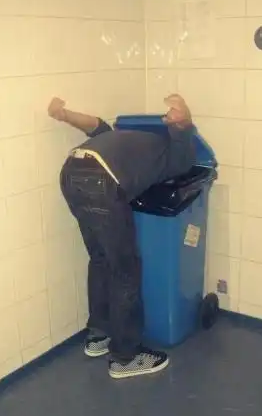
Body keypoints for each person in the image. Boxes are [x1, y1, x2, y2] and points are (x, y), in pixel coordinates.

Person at [47, 93, 196, 379]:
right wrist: (183, 119)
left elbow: (94, 125)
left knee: (101, 259)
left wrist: (64, 115)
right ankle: (126, 356)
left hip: (72, 171)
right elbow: (183, 149)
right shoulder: (174, 157)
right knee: (125, 269)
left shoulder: (121, 138)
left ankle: (99, 334)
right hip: (101, 180)